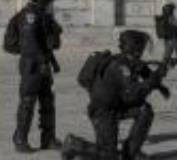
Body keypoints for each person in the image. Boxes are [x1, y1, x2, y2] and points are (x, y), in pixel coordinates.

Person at [61, 30, 169, 160]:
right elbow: (134, 95)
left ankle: (130, 153)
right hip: (102, 112)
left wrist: (159, 84)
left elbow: (145, 73)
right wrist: (154, 79)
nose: (143, 49)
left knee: (144, 111)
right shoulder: (120, 66)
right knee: (108, 155)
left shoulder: (127, 60)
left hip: (116, 106)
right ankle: (73, 144)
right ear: (135, 47)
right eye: (142, 46)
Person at [10, 0, 63, 153]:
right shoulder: (29, 15)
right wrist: (41, 62)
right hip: (32, 66)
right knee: (28, 102)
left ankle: (48, 139)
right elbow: (30, 43)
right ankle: (20, 139)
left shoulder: (42, 14)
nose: (50, 3)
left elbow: (50, 43)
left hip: (42, 64)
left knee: (47, 102)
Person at [156, 2, 177, 80]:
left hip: (167, 39)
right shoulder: (171, 18)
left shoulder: (164, 18)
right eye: (173, 9)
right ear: (170, 10)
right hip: (174, 39)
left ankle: (161, 73)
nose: (174, 10)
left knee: (165, 58)